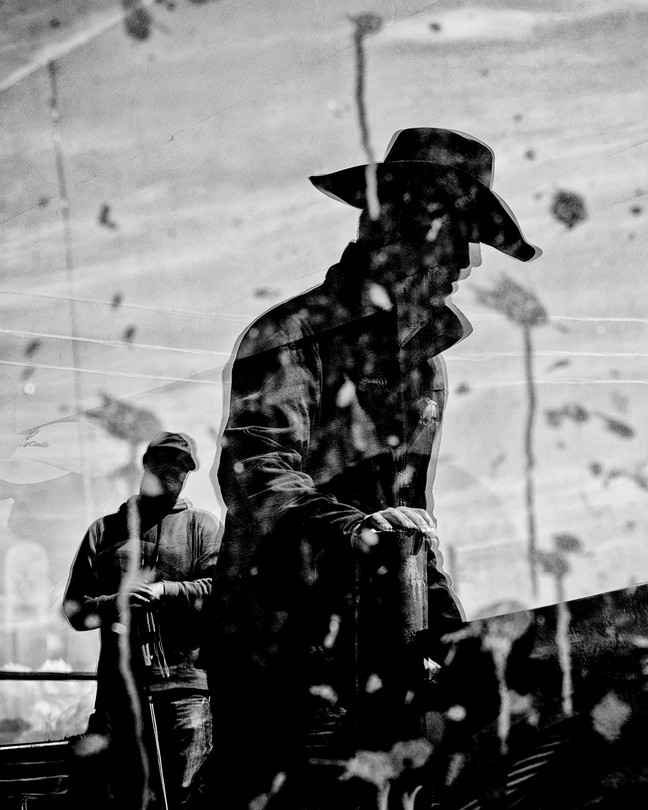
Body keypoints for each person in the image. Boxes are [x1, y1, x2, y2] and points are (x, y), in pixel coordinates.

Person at [207, 128, 541, 808]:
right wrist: (356, 532)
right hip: (284, 654)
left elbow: (412, 519)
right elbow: (258, 475)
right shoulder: (291, 334)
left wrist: (452, 635)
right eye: (458, 239)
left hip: (382, 656)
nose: (468, 264)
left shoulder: (428, 368)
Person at [63, 431, 220, 810]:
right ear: (145, 465)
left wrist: (164, 592)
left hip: (185, 694)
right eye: (164, 464)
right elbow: (74, 611)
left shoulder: (202, 525)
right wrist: (119, 601)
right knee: (121, 797)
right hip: (120, 697)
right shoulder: (103, 531)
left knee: (186, 797)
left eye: (182, 468)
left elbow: (220, 591)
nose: (173, 473)